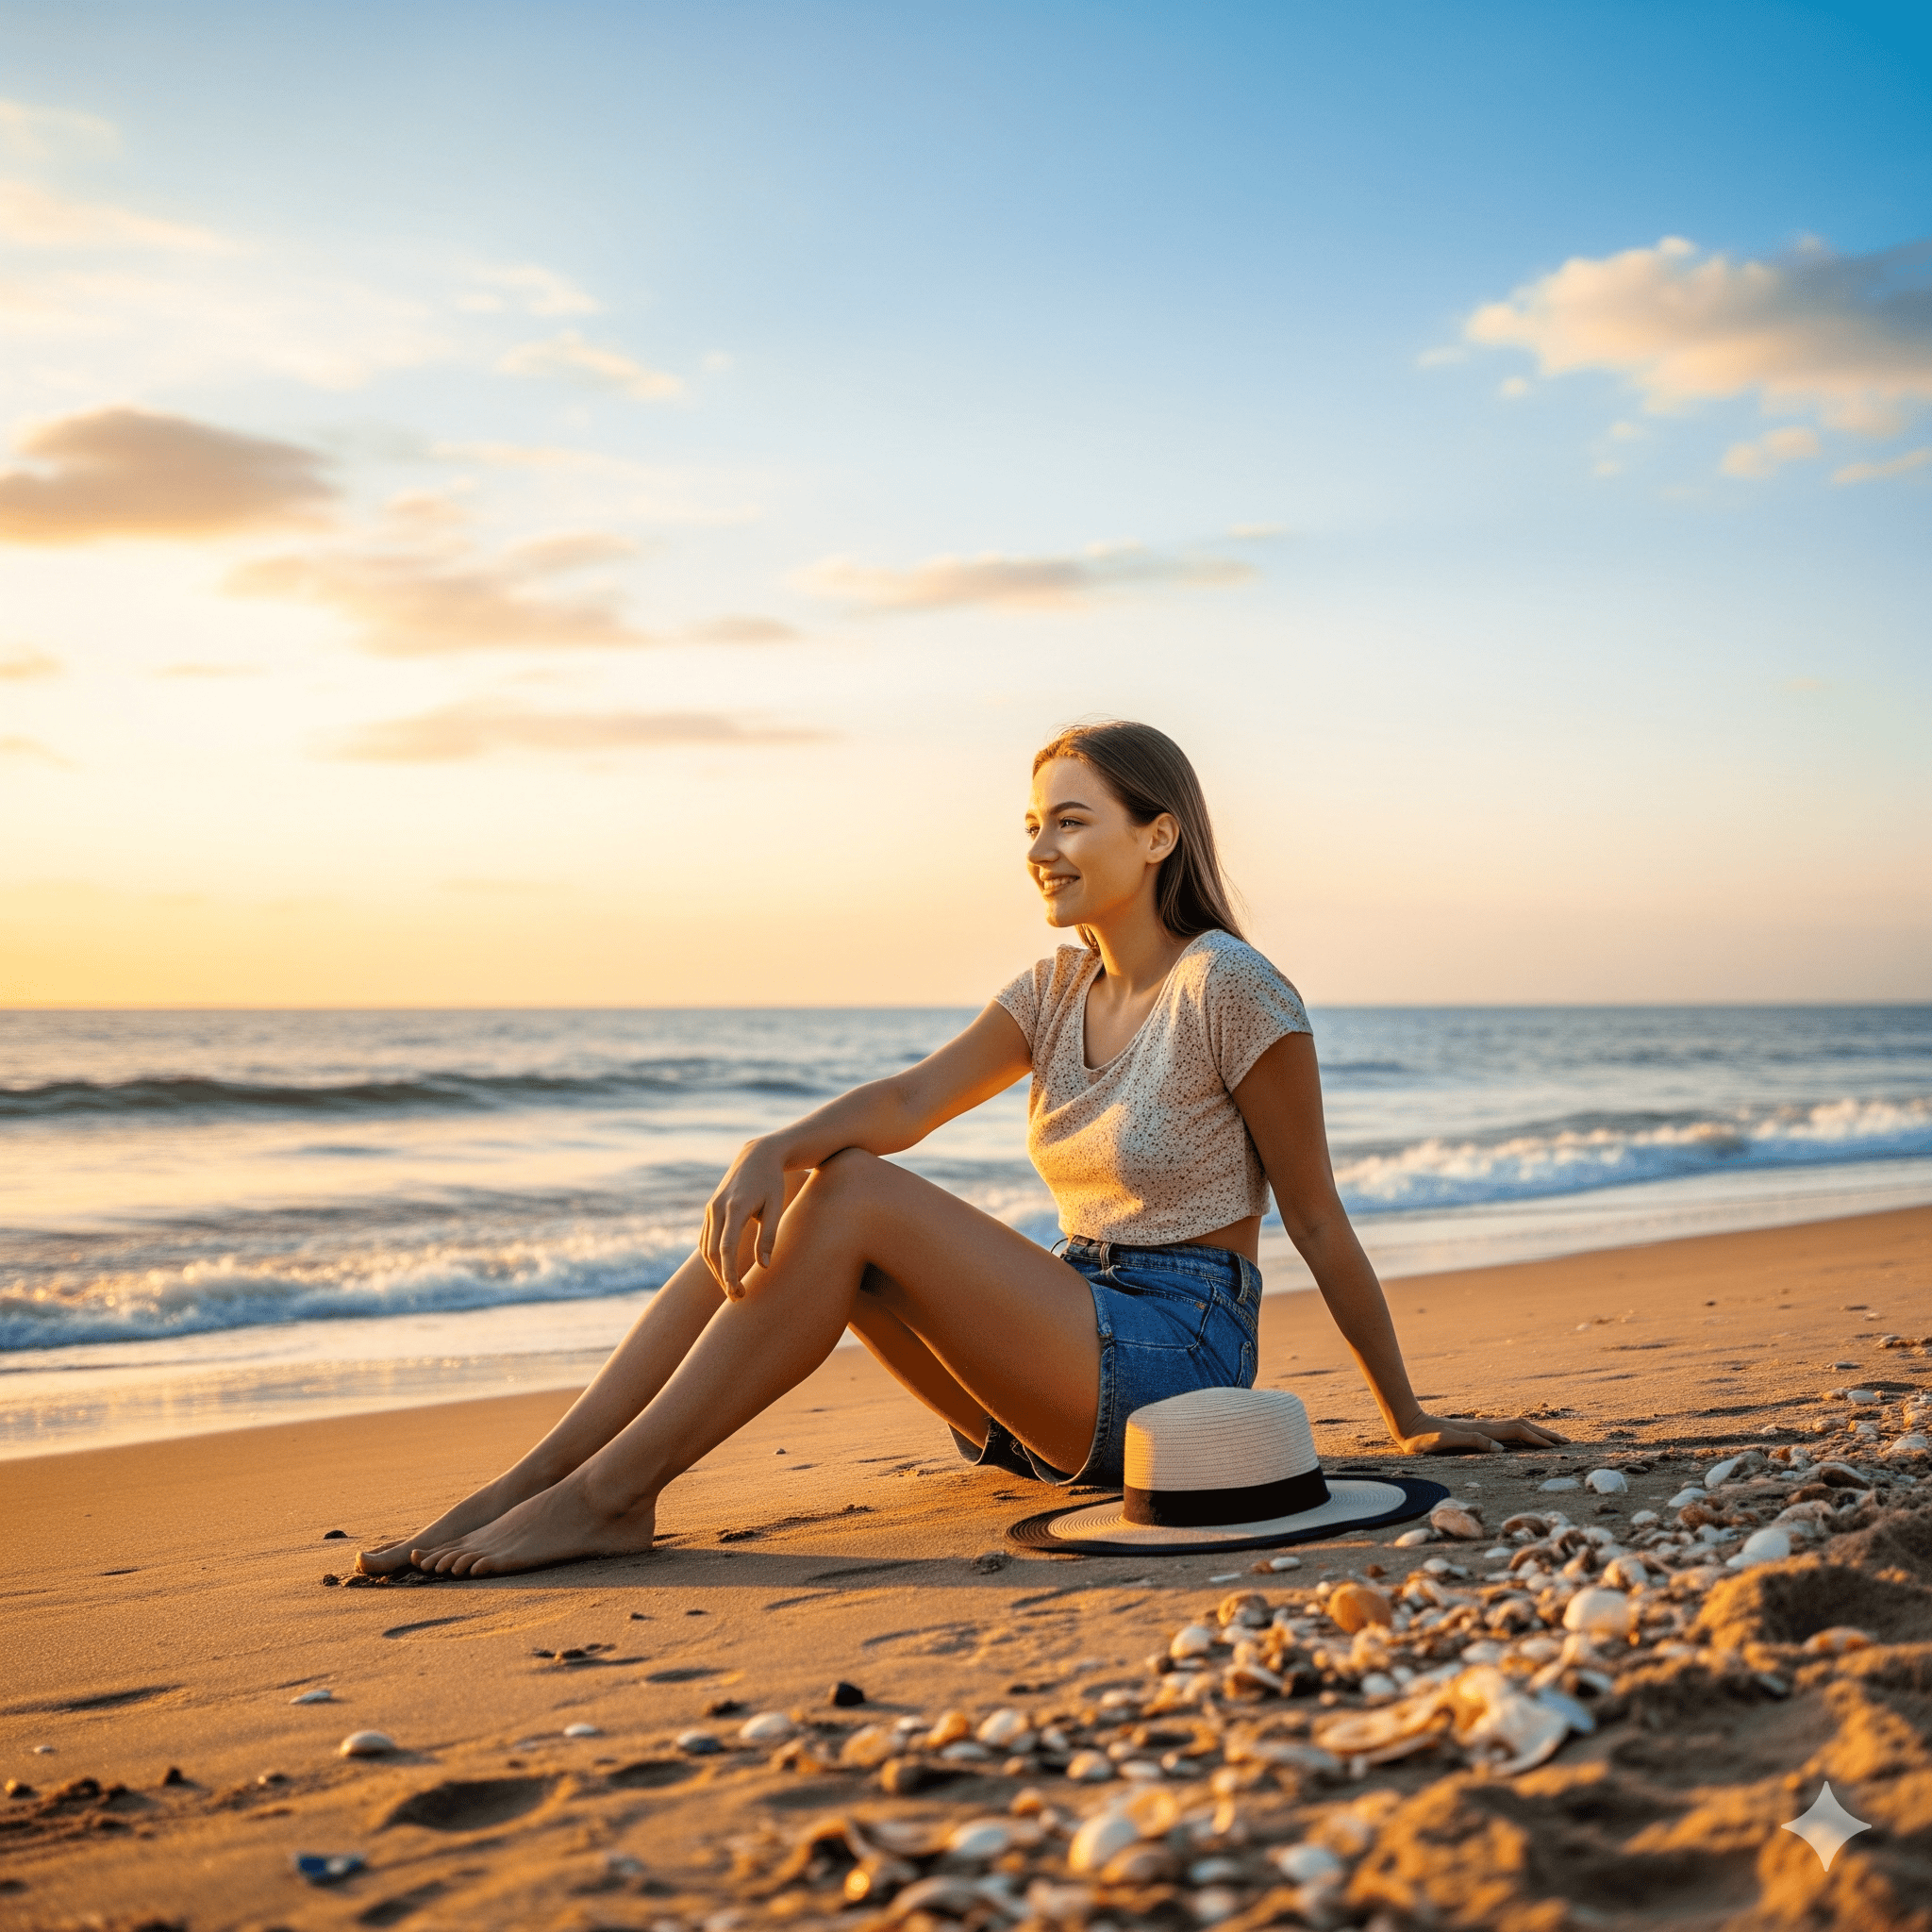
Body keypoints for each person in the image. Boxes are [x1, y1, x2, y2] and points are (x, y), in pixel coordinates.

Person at [360, 721, 1562, 1579]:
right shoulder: (1051, 988)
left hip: (1173, 1361)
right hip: (1047, 1370)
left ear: (1158, 836)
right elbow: (906, 1099)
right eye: (1031, 824)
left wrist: (1406, 1417)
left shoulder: (1230, 987)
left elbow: (1315, 1216)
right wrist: (765, 1145)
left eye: (1071, 820)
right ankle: (539, 1482)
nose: (1040, 847)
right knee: (820, 1182)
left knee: (855, 1194)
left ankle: (609, 1496)